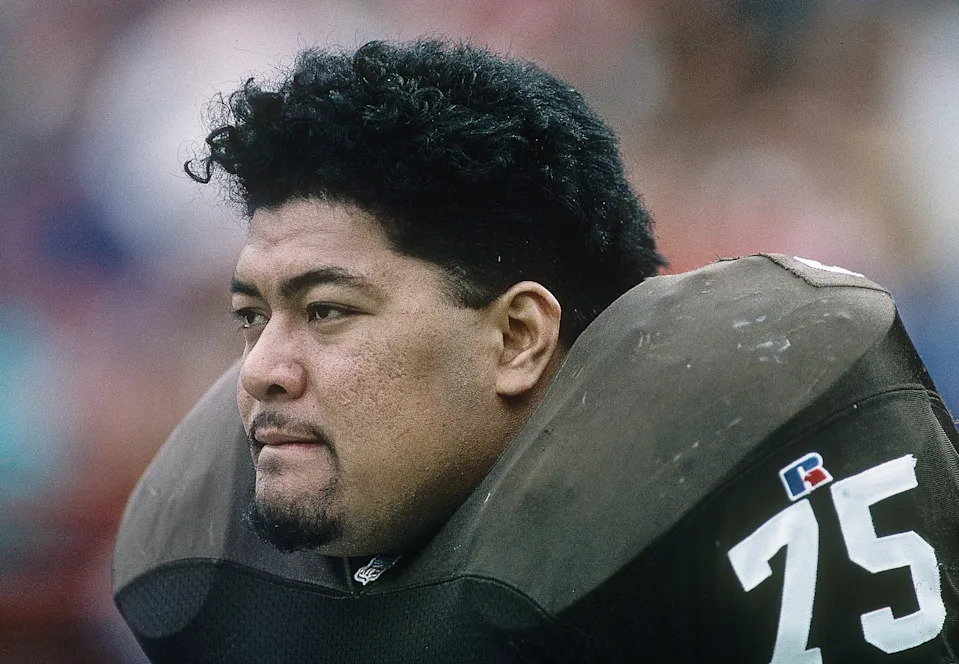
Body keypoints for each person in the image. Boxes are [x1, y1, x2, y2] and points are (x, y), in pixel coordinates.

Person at [113, 40, 959, 663]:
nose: (262, 368)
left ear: (517, 338)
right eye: (250, 317)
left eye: (327, 311)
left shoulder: (713, 498)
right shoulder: (202, 567)